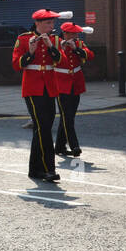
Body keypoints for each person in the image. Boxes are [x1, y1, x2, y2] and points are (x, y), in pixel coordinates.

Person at [13, 9, 67, 182]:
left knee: (42, 129)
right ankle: (48, 169)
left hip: (50, 87)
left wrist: (51, 47)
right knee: (43, 128)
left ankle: (34, 169)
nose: (51, 26)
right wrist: (30, 52)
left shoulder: (55, 40)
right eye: (48, 23)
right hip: (32, 88)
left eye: (52, 23)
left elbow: (62, 61)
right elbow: (16, 64)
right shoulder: (23, 39)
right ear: (37, 24)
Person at [53, 22, 95, 158]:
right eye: (73, 34)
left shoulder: (79, 43)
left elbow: (90, 56)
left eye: (77, 33)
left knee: (69, 116)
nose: (76, 36)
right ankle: (74, 145)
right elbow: (54, 58)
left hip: (75, 83)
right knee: (67, 116)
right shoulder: (56, 43)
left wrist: (77, 49)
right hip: (61, 83)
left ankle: (59, 147)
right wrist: (64, 48)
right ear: (65, 33)